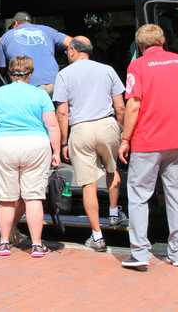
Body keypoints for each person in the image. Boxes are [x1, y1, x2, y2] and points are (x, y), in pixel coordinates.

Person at [118, 24, 178, 271]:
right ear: (163, 41)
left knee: (140, 196)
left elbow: (133, 105)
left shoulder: (137, 66)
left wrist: (125, 138)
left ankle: (140, 252)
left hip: (148, 139)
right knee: (175, 195)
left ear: (140, 46)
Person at [53, 36, 127, 253]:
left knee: (88, 184)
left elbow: (62, 111)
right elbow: (120, 106)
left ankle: (97, 236)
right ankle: (114, 214)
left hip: (81, 129)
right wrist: (120, 131)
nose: (67, 53)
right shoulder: (107, 70)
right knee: (112, 170)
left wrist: (64, 141)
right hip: (106, 125)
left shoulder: (64, 74)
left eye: (68, 50)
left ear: (74, 51)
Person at [0, 55, 61, 258]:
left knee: (6, 199)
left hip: (3, 144)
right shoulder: (40, 94)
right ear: (30, 73)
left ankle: (3, 243)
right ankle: (36, 245)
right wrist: (57, 152)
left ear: (9, 72)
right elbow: (52, 125)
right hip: (35, 144)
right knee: (33, 197)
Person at [0, 11, 72, 96]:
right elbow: (73, 42)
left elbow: (1, 69)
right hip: (54, 84)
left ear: (15, 23)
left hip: (27, 87)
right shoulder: (47, 30)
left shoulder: (4, 37)